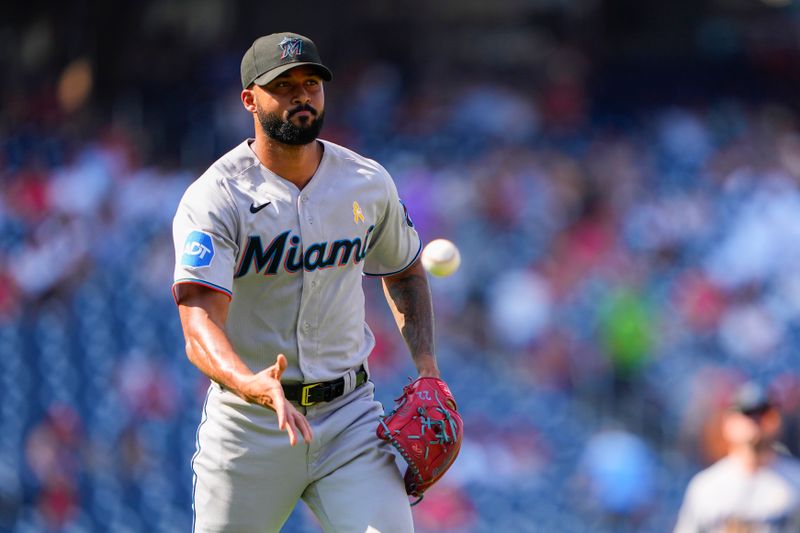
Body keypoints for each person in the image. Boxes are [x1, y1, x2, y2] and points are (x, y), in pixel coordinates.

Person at [172, 32, 440, 532]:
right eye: (285, 85)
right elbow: (199, 322)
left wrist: (427, 369)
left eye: (311, 83)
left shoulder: (366, 180)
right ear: (249, 100)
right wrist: (247, 382)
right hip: (251, 426)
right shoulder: (217, 197)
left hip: (350, 419)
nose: (302, 95)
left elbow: (404, 271)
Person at [674, 382, 800, 532]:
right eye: (746, 413)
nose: (755, 421)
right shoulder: (706, 487)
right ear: (728, 422)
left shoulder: (796, 481)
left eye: (762, 413)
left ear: (776, 420)